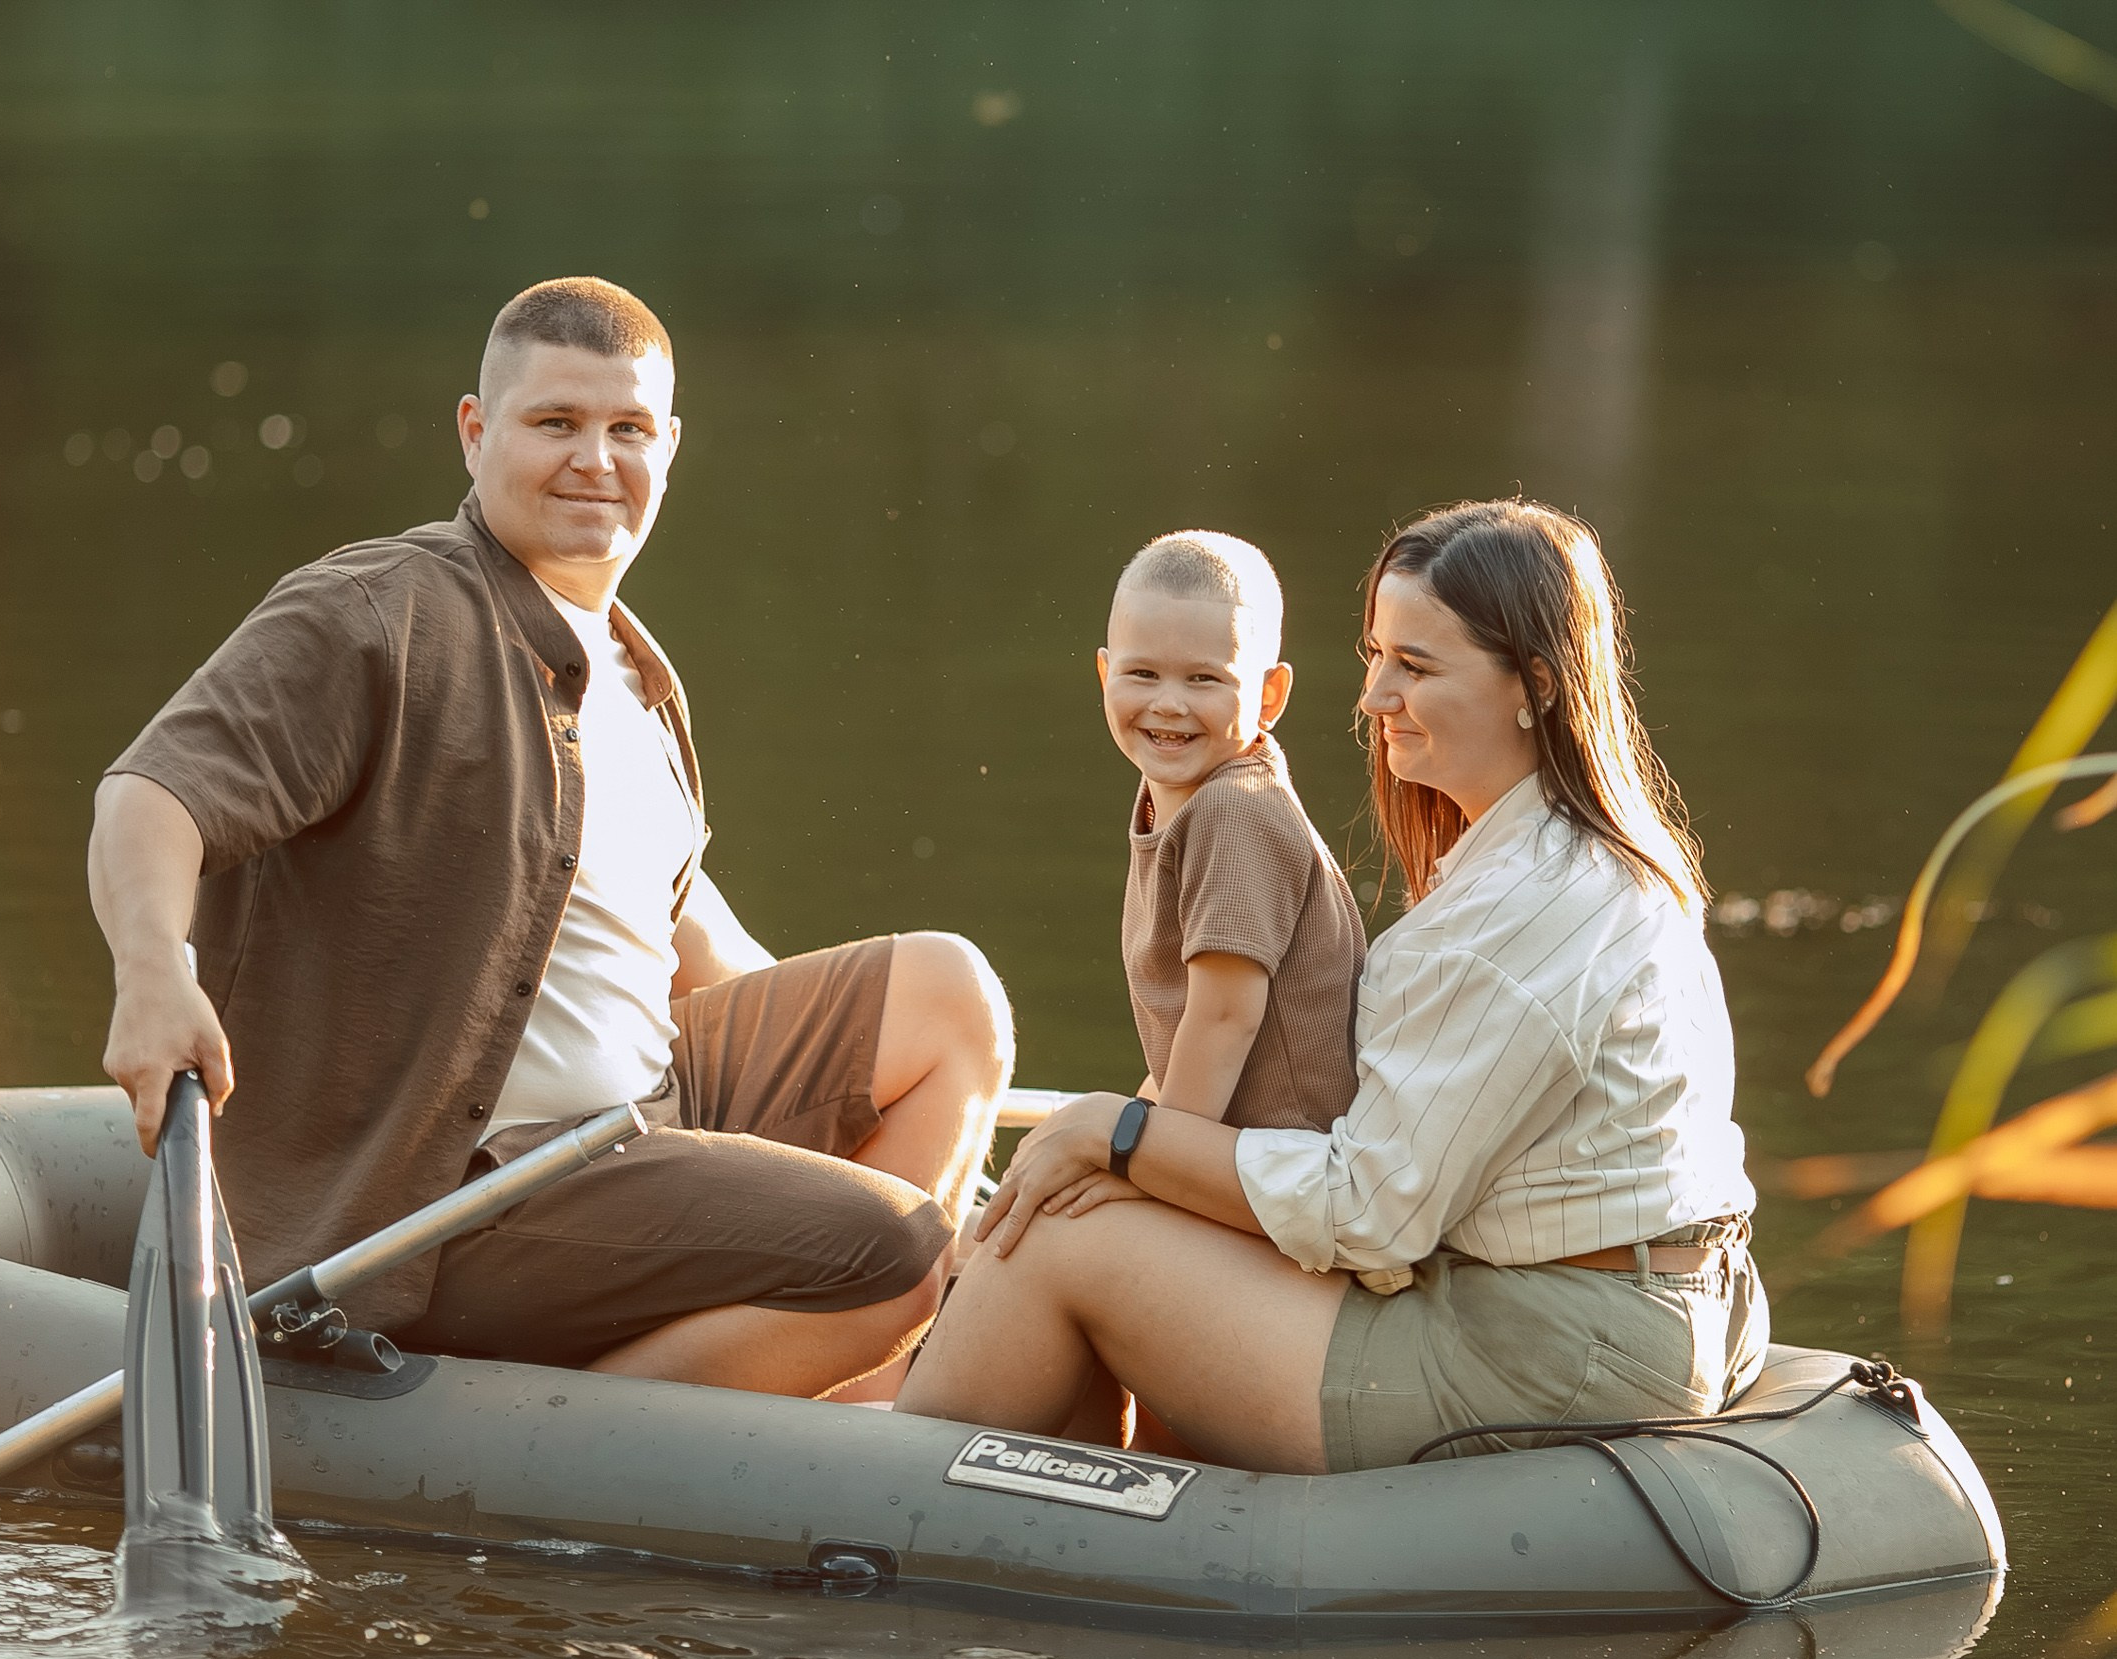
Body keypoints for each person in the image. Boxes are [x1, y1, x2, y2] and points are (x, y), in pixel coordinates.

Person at [89, 276, 1013, 1400]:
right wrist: (150, 971)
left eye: (627, 429)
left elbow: (690, 953)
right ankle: (647, 1424)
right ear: (476, 432)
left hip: (637, 1119)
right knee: (895, 1251)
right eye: (556, 423)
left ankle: (861, 1363)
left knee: (948, 994)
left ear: (669, 447)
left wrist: (914, 1162)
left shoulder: (637, 672)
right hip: (449, 1198)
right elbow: (151, 795)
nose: (595, 459)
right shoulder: (376, 611)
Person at [898, 499, 1762, 1475]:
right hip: (1647, 1309)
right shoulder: (1573, 858)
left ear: (1534, 686)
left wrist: (1120, 1133)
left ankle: (864, 1502)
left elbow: (1373, 1213)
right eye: (1377, 655)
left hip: (1554, 1350)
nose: (1374, 697)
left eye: (1417, 667)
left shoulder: (1521, 906)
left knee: (1058, 1237)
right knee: (1113, 1212)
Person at [1094, 531, 1362, 1151]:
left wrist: (1140, 1167)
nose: (1168, 704)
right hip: (1233, 1148)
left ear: (1269, 695)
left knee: (1020, 1242)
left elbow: (1222, 1020)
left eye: (1204, 679)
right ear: (1105, 673)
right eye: (1142, 673)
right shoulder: (1181, 803)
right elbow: (1185, 1037)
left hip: (1288, 1166)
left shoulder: (1234, 814)